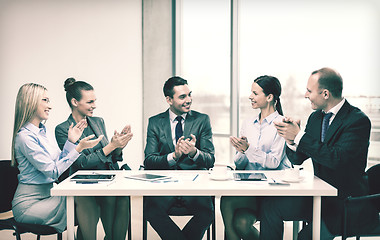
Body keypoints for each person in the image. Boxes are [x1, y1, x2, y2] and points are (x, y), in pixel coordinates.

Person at [259, 67, 378, 239]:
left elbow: (336, 159)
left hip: (345, 204)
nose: (306, 95)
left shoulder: (357, 121)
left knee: (305, 237)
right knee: (271, 207)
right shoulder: (316, 117)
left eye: (309, 91)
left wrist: (300, 136)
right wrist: (291, 139)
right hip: (319, 198)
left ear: (325, 94)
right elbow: (298, 158)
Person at [11, 83, 102, 233]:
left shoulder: (42, 132)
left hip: (50, 196)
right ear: (31, 102)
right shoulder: (24, 137)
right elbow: (53, 172)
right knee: (83, 202)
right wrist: (78, 148)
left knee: (87, 201)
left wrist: (71, 142)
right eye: (45, 100)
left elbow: (58, 161)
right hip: (30, 205)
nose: (50, 106)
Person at [55, 78, 133, 240]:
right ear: (75, 102)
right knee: (100, 205)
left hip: (108, 180)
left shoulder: (98, 121)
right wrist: (110, 146)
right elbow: (81, 163)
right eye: (90, 102)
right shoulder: (62, 129)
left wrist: (118, 145)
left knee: (124, 200)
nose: (94, 105)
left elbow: (111, 158)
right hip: (82, 184)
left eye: (95, 101)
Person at [143, 76, 215, 240]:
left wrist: (193, 152)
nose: (188, 100)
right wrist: (173, 156)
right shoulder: (155, 122)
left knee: (207, 212)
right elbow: (149, 161)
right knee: (152, 211)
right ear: (169, 99)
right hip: (164, 184)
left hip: (195, 185)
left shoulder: (202, 120)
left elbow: (210, 159)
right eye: (182, 97)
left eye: (189, 95)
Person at [220, 75, 291, 240]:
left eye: (255, 93)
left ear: (269, 97)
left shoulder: (282, 124)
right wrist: (241, 151)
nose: (250, 96)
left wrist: (249, 149)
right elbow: (240, 164)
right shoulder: (247, 123)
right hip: (250, 186)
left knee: (228, 203)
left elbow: (273, 163)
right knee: (241, 222)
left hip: (271, 191)